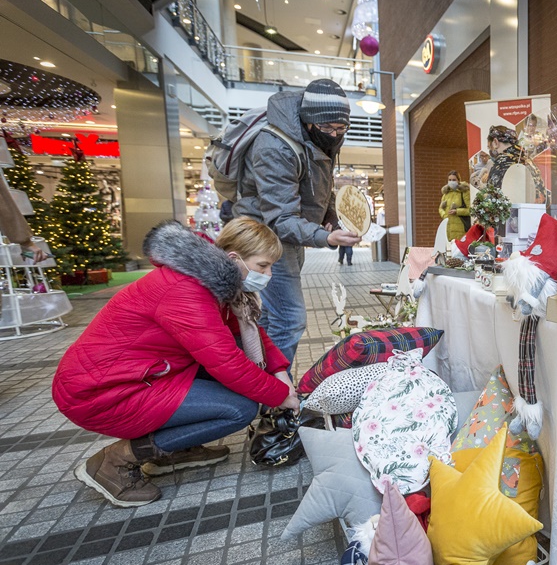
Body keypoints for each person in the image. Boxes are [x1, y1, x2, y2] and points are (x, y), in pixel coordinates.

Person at [52, 218, 298, 507]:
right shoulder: (187, 290)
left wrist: (279, 372)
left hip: (142, 374)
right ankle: (115, 461)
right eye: (262, 266)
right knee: (238, 410)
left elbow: (247, 333)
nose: (267, 274)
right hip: (102, 391)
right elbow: (227, 362)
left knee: (236, 383)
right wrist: (281, 396)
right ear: (235, 258)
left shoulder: (211, 280)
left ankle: (176, 449)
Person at [234, 78, 361, 363]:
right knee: (290, 318)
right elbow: (280, 218)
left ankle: (259, 381)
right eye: (327, 128)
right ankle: (276, 393)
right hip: (264, 238)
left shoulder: (321, 138)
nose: (334, 135)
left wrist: (331, 217)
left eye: (341, 128)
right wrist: (325, 237)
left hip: (290, 237)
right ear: (307, 122)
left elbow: (320, 187)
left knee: (269, 316)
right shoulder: (274, 147)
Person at [485, 125, 546, 203]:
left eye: (490, 147)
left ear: (495, 142)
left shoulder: (501, 163)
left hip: (512, 213)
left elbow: (491, 199)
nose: (491, 151)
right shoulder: (528, 161)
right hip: (534, 212)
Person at [438, 170, 471, 241]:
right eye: (449, 180)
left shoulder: (464, 192)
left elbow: (470, 210)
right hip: (448, 228)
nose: (451, 182)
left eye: (454, 180)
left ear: (458, 181)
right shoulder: (446, 193)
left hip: (460, 228)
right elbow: (440, 208)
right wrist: (444, 215)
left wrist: (457, 211)